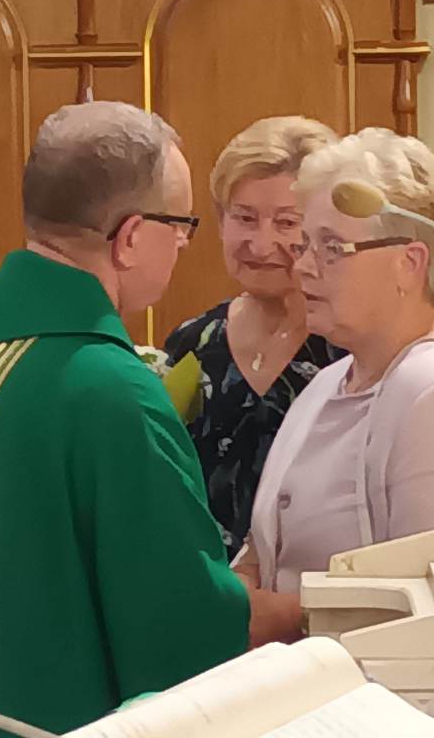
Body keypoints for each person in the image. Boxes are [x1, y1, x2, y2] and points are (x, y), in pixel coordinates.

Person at [0, 102, 250, 736]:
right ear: (132, 237)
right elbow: (180, 636)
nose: (183, 243)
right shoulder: (112, 394)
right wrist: (278, 611)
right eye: (182, 225)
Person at [236, 128, 434, 607]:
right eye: (305, 244)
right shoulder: (330, 381)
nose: (303, 266)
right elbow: (266, 543)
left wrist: (283, 618)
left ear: (409, 264)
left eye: (332, 247)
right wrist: (240, 588)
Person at [165, 116, 344, 560]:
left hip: (323, 590)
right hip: (205, 589)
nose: (261, 245)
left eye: (286, 223)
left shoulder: (350, 349)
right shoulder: (191, 344)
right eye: (244, 218)